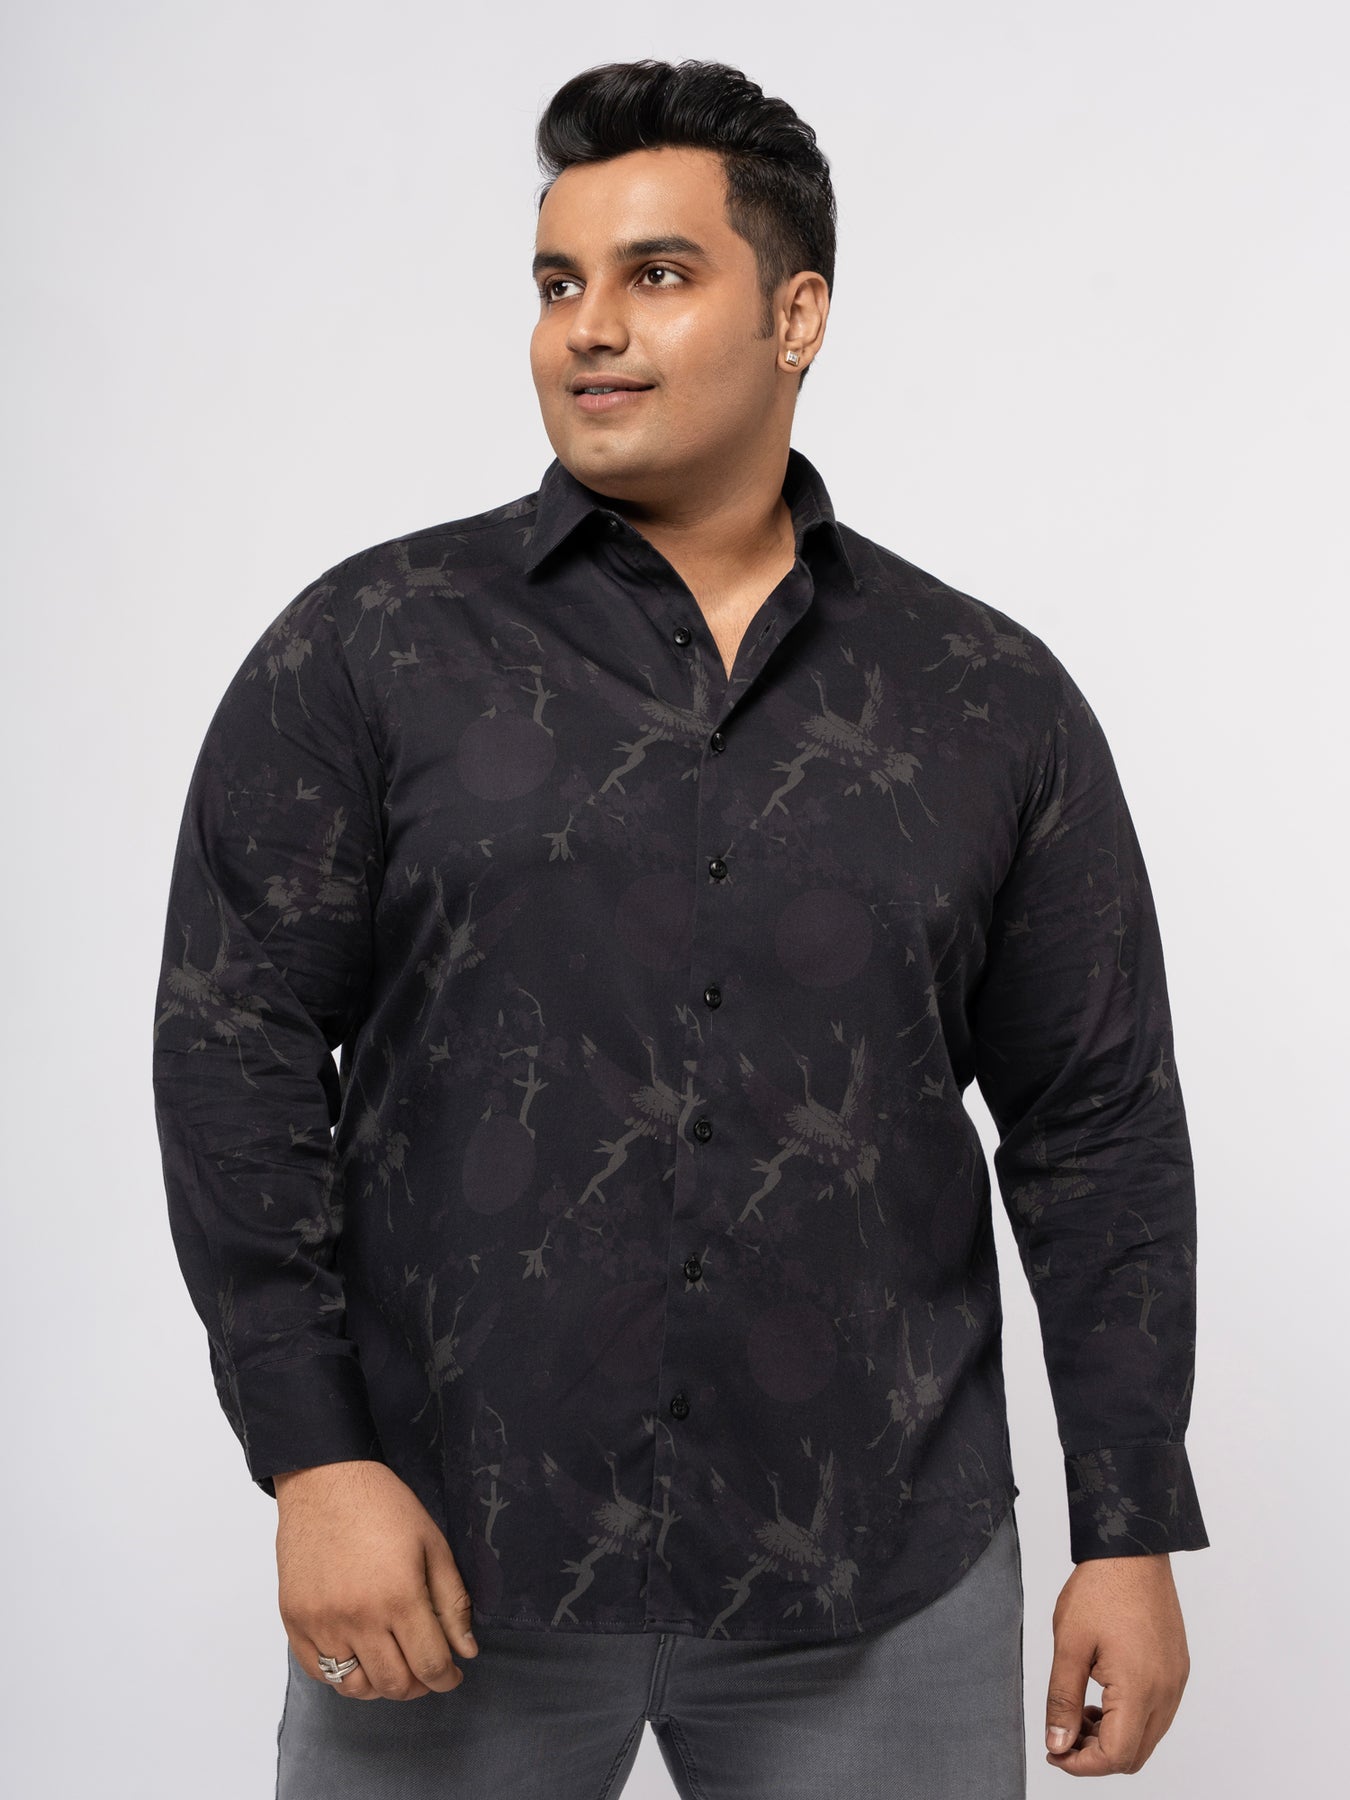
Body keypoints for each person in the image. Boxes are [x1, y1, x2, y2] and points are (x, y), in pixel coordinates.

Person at [151, 57, 1208, 1799]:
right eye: (557, 281)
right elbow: (234, 1053)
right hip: (447, 1554)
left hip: (880, 1567)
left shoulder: (982, 697)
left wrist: (1127, 1523)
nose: (588, 328)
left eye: (655, 274)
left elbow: (1093, 1124)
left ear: (796, 316)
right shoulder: (372, 647)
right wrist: (311, 1459)